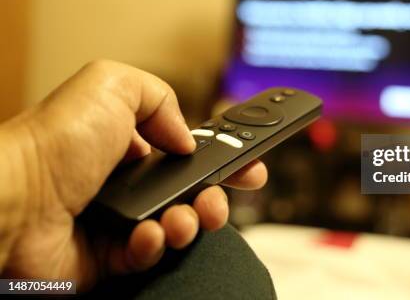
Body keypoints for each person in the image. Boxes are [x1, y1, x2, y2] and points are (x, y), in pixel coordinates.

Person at [0, 60, 275, 297]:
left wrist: (15, 281)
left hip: (29, 283)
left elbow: (20, 287)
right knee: (219, 253)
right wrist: (32, 170)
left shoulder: (24, 278)